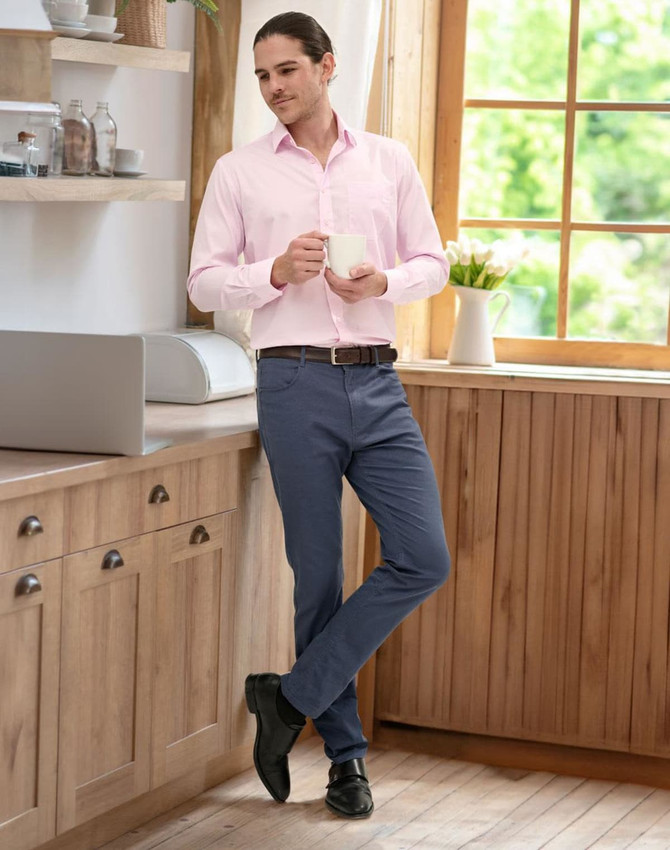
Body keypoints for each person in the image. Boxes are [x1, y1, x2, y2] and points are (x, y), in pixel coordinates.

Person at [188, 11, 451, 821]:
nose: (273, 89)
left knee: (423, 556)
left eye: (287, 72)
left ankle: (287, 696)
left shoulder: (388, 162)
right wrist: (269, 273)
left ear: (326, 67)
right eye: (263, 77)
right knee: (319, 578)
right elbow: (204, 281)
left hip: (377, 385)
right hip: (293, 384)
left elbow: (433, 261)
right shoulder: (239, 173)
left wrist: (384, 285)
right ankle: (346, 762)